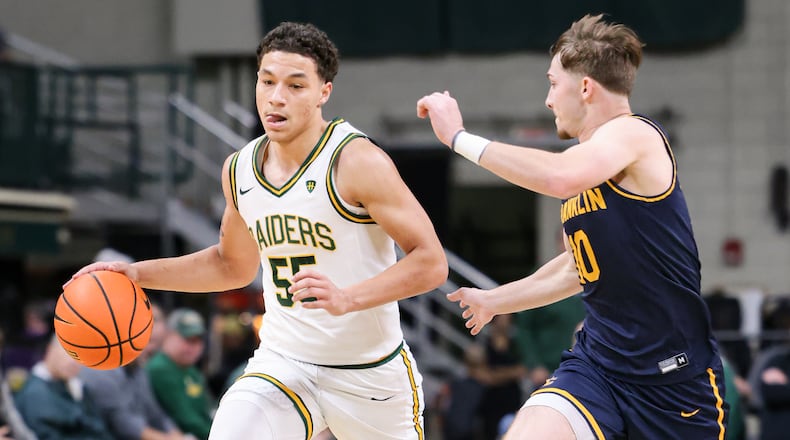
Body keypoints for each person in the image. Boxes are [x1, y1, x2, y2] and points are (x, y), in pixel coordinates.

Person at [67, 21, 447, 439]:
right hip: (285, 364)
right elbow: (231, 265)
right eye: (266, 81)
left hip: (369, 375)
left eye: (295, 85)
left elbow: (431, 262)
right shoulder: (240, 169)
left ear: (324, 92)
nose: (276, 97)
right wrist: (139, 274)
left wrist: (347, 297)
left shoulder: (356, 161)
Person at [417, 13, 728, 439]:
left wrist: (458, 137)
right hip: (598, 367)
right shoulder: (584, 169)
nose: (548, 99)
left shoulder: (634, 135)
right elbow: (575, 267)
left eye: (552, 82)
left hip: (672, 380)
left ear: (584, 87)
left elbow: (559, 176)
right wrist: (495, 300)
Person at [81, 302, 192, 440]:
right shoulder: (102, 367)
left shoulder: (138, 367)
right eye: (147, 340)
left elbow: (155, 413)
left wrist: (178, 436)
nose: (149, 348)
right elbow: (123, 423)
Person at [14, 335, 112, 440]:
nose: (74, 362)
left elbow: (100, 429)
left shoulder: (77, 386)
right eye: (70, 353)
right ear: (50, 350)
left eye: (82, 357)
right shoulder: (35, 393)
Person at [146, 309, 213, 440]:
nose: (194, 347)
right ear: (169, 335)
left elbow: (204, 411)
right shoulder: (160, 368)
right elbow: (186, 419)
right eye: (188, 339)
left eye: (198, 340)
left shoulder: (191, 370)